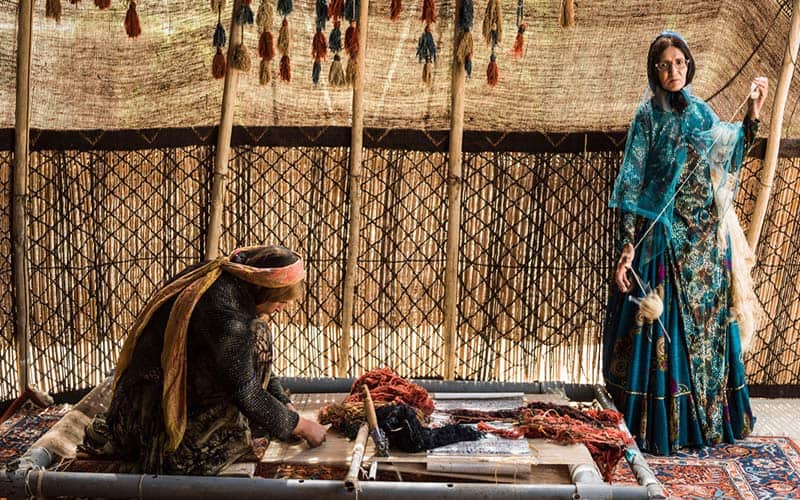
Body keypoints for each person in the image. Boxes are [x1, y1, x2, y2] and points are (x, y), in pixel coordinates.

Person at [603, 31, 768, 455]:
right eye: (664, 65)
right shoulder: (646, 117)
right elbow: (631, 186)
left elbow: (730, 155)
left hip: (705, 245)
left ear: (688, 66)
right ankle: (664, 430)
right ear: (654, 71)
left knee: (709, 332)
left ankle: (709, 425)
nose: (673, 71)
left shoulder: (701, 113)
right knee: (661, 331)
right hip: (662, 240)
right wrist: (627, 247)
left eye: (680, 63)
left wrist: (752, 112)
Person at [83, 245, 327, 474]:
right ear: (264, 289)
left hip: (144, 400)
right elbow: (245, 390)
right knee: (259, 334)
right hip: (155, 419)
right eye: (281, 300)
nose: (282, 308)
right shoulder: (228, 315)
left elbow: (243, 366)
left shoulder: (223, 280)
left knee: (258, 331)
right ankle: (183, 448)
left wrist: (282, 402)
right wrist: (301, 426)